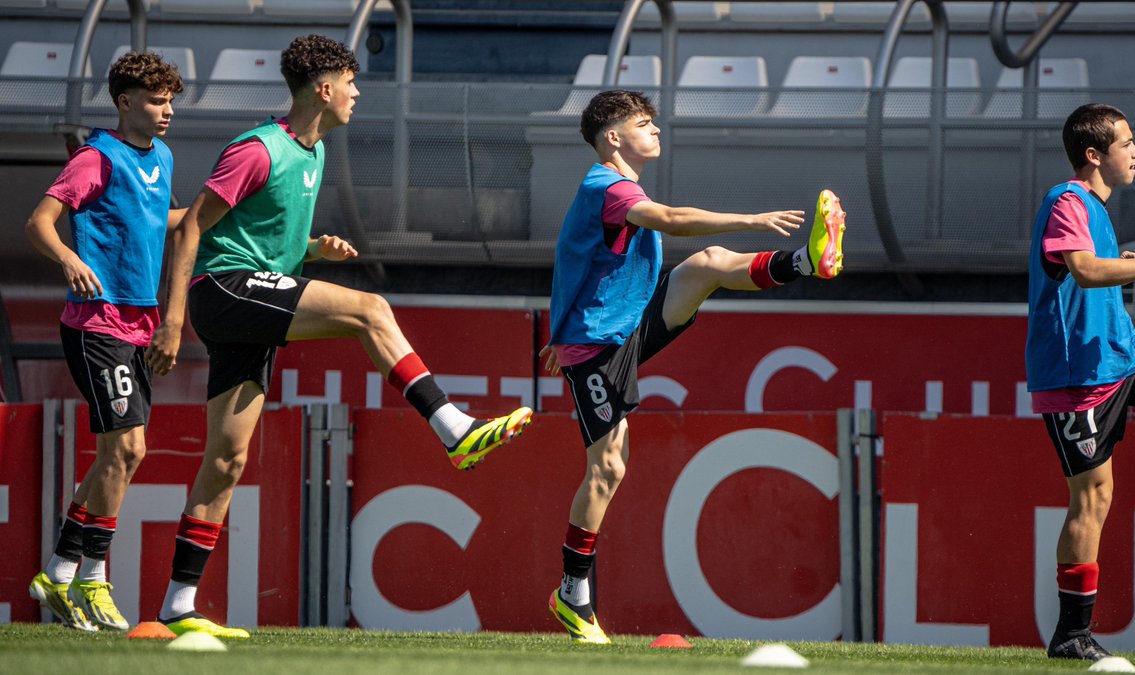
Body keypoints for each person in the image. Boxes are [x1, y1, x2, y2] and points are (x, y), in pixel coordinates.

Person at [145, 34, 533, 638]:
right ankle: (451, 426)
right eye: (351, 83)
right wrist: (171, 321)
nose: (358, 93)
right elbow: (194, 226)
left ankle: (176, 605)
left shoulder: (316, 151)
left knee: (226, 460)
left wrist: (311, 249)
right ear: (323, 90)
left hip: (254, 295)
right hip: (223, 292)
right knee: (370, 310)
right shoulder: (258, 149)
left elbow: (256, 233)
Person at [541, 89, 845, 644]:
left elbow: (579, 261)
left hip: (619, 329)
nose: (656, 130)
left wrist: (560, 325)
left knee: (706, 267)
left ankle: (809, 261)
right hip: (595, 349)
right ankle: (573, 595)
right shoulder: (605, 186)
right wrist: (752, 218)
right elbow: (672, 219)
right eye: (644, 123)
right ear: (613, 138)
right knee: (608, 468)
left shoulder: (618, 186)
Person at [1026, 103, 1135, 661]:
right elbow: (1083, 270)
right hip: (1081, 377)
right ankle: (1071, 637)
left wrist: (1120, 259)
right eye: (1127, 143)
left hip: (1121, 351)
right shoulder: (1068, 200)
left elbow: (1091, 268)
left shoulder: (1093, 210)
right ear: (1095, 155)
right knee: (1093, 500)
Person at [25, 51, 186, 632]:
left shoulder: (162, 156)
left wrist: (215, 211)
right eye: (154, 100)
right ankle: (91, 581)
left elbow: (158, 219)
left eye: (170, 100)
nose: (166, 110)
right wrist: (69, 258)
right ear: (124, 102)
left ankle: (59, 573)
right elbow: (39, 222)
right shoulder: (97, 157)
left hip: (136, 323)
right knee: (125, 450)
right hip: (97, 323)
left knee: (125, 452)